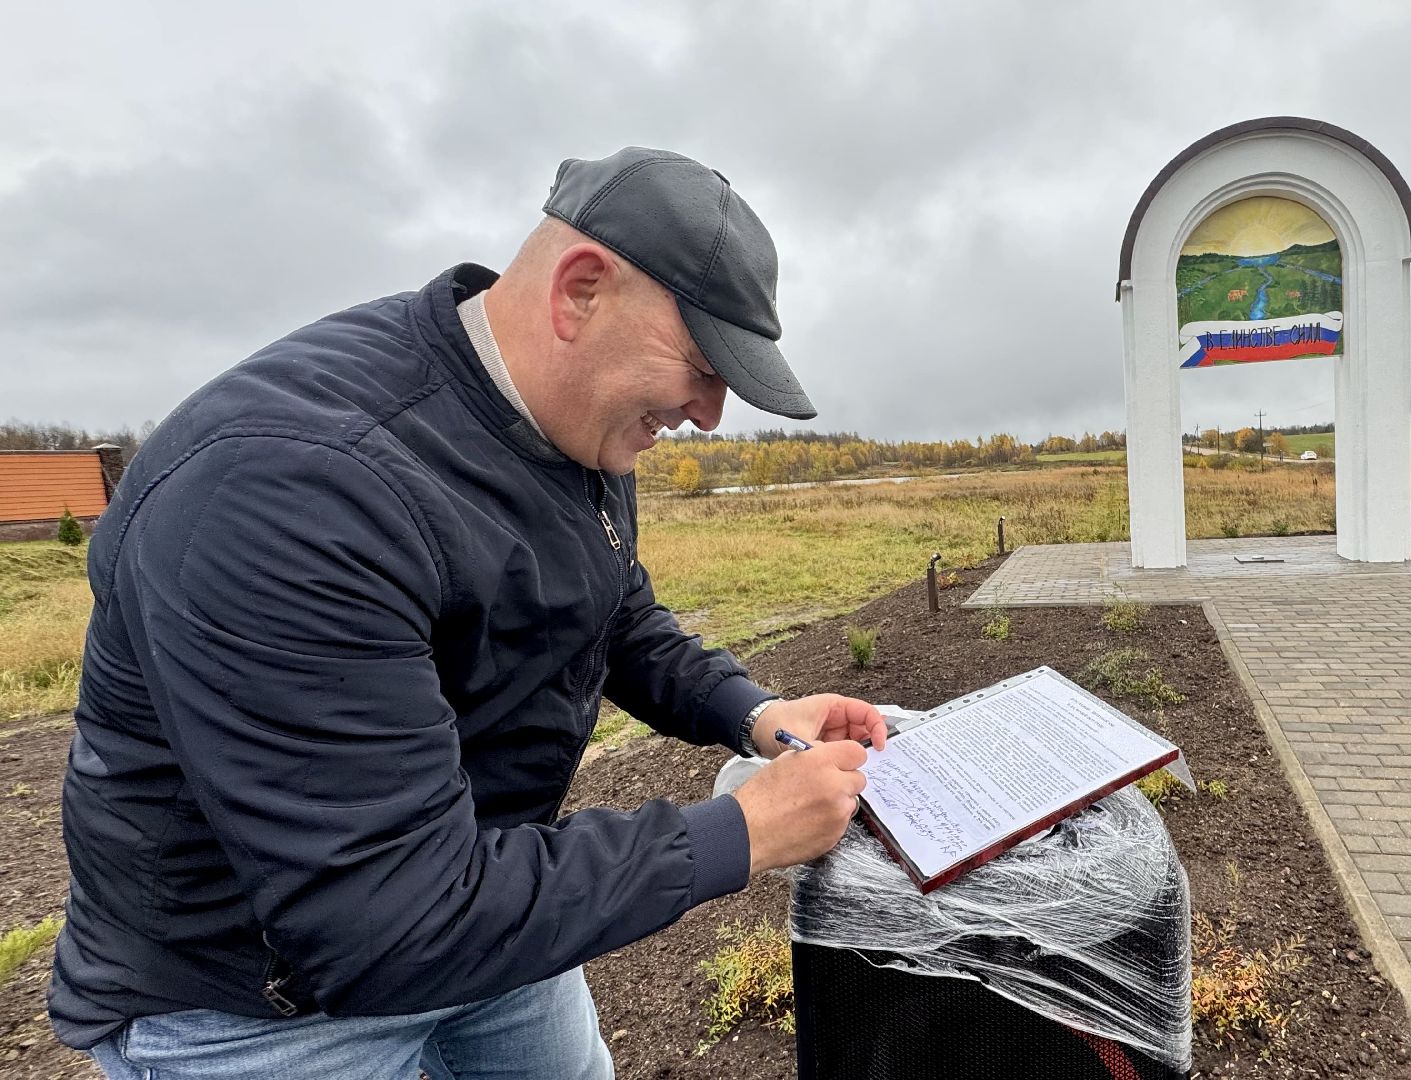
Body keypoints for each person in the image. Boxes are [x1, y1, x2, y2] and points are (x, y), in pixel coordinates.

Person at [51, 147, 885, 1079]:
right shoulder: (292, 492)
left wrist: (755, 714)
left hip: (489, 910)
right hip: (263, 1004)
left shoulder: (573, 428)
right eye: (701, 365)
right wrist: (742, 831)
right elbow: (386, 915)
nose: (712, 414)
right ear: (580, 291)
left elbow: (611, 611)